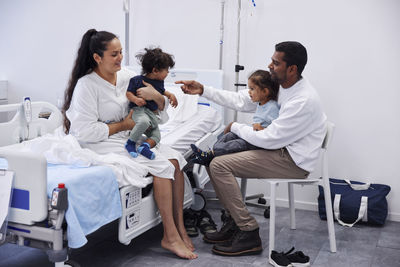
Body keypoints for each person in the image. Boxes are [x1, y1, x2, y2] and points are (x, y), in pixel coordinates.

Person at [176, 41, 326, 257]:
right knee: (213, 160)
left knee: (218, 164)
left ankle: (248, 232)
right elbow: (241, 100)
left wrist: (236, 127)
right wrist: (203, 90)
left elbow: (269, 139)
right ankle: (235, 222)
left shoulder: (302, 100)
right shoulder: (283, 87)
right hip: (280, 149)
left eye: (276, 62)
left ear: (292, 69)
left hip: (293, 161)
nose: (270, 65)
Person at [62, 29, 197, 260]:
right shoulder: (87, 85)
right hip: (99, 142)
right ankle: (170, 236)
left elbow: (157, 115)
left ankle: (180, 227)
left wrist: (158, 97)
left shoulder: (127, 76)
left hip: (127, 135)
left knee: (175, 160)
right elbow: (84, 131)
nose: (120, 58)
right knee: (162, 166)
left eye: (121, 52)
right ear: (97, 57)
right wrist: (123, 126)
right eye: (114, 54)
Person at [190, 70, 279, 167]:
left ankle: (210, 154)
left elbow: (276, 130)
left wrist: (263, 129)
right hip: (254, 136)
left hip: (260, 142)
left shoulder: (272, 107)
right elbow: (237, 99)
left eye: (252, 89)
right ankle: (212, 152)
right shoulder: (260, 103)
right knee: (231, 135)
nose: (249, 92)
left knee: (238, 144)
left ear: (265, 91)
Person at [125, 48, 178, 160]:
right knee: (144, 122)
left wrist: (170, 95)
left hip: (151, 113)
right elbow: (128, 93)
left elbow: (162, 91)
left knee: (157, 135)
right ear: (155, 70)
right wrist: (135, 99)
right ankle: (130, 143)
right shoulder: (137, 80)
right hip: (139, 110)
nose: (168, 72)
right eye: (166, 70)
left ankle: (145, 147)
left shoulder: (159, 82)